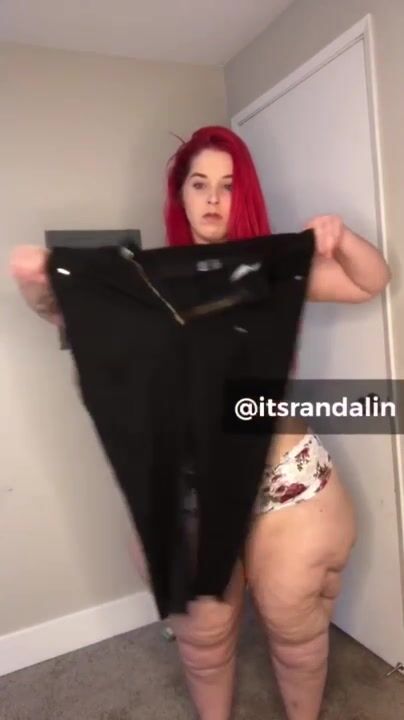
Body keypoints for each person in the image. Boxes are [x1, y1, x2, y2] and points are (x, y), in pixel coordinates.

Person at [9, 126, 391, 720]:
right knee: (204, 642)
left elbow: (372, 280)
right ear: (181, 195)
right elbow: (68, 314)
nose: (213, 198)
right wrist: (42, 285)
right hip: (185, 490)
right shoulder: (143, 280)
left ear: (244, 195)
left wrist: (341, 238)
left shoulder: (268, 271)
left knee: (296, 629)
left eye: (228, 185)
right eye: (199, 183)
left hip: (284, 483)